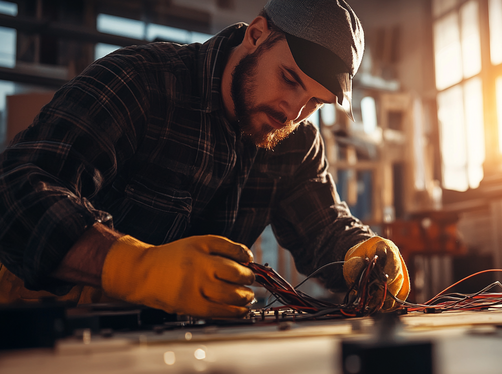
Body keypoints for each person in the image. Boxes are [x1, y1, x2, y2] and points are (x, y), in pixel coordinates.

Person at [0, 0, 410, 317]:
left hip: (163, 345)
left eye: (315, 102)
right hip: (40, 323)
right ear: (256, 35)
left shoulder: (294, 141)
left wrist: (363, 251)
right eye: (289, 79)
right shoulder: (141, 82)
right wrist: (133, 266)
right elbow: (14, 187)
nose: (292, 111)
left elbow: (323, 231)